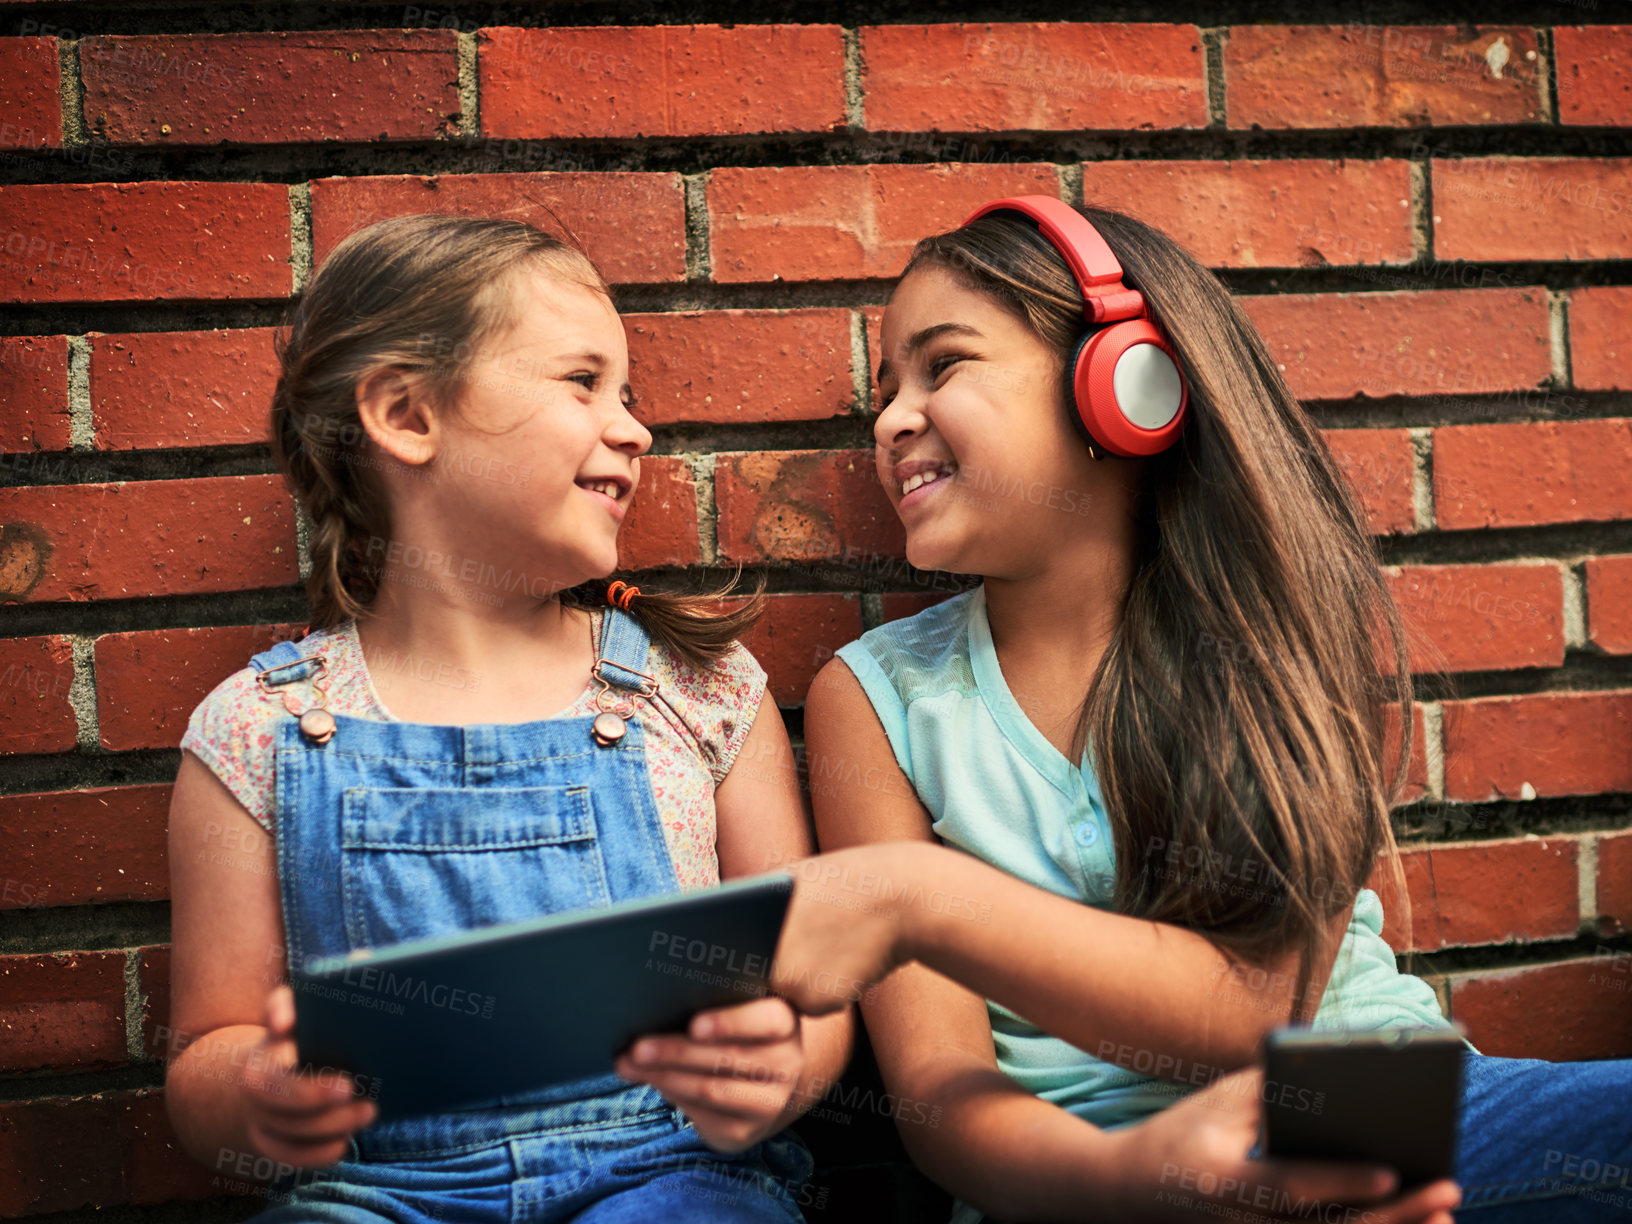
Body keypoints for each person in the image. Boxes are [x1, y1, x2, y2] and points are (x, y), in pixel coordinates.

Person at [782, 197, 1632, 1224]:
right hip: (1080, 1178)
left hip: (1360, 1104)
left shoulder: (1255, 631)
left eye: (944, 365)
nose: (892, 417)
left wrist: (920, 898)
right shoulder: (873, 699)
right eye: (885, 389)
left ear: (1125, 387)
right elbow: (938, 1100)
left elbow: (1256, 1008)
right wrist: (1131, 1182)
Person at [163, 214, 850, 1220]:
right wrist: (259, 1093)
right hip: (377, 1192)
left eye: (630, 395)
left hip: (667, 1174)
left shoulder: (697, 690)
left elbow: (814, 981)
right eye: (583, 383)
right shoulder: (259, 730)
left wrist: (783, 1066)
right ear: (407, 415)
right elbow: (204, 1057)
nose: (632, 426)